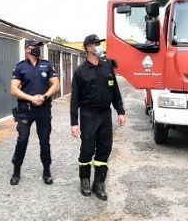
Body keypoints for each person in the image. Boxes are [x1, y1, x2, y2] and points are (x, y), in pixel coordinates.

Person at [70, 34, 126, 200]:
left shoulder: (107, 67)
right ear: (88, 48)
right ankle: (85, 180)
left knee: (105, 148)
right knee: (87, 148)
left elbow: (115, 91)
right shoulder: (80, 71)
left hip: (105, 114)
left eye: (99, 44)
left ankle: (99, 183)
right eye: (96, 44)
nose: (99, 46)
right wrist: (74, 122)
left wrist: (120, 111)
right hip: (88, 114)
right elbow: (74, 100)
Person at [9, 39, 60, 185]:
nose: (38, 49)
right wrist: (31, 98)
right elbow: (14, 89)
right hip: (25, 110)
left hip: (43, 109)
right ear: (27, 49)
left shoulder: (46, 65)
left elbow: (55, 85)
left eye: (39, 47)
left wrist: (43, 97)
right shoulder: (20, 67)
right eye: (35, 47)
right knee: (22, 140)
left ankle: (46, 171)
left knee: (45, 141)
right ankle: (16, 170)